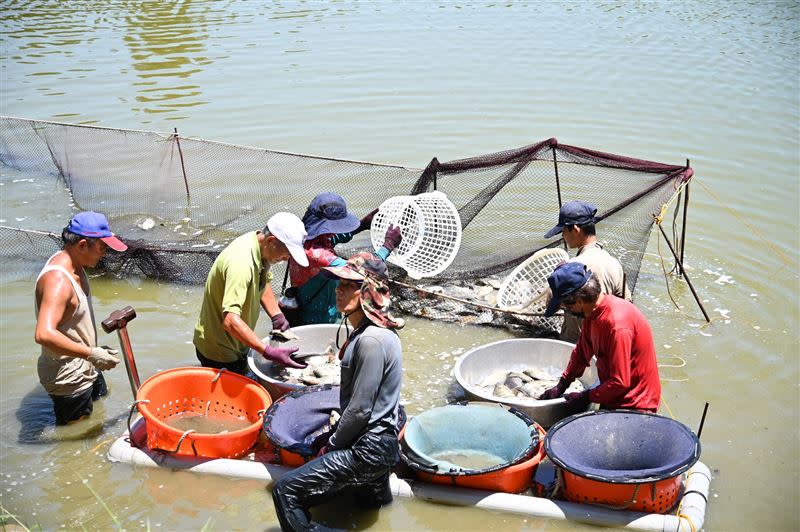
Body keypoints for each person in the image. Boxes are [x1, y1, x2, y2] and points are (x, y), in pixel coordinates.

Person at [272, 252, 404, 531]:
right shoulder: (377, 332)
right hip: (383, 448)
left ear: (367, 292)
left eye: (348, 285)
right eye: (339, 283)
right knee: (371, 509)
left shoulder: (370, 341)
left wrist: (330, 447)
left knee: (286, 492)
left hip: (368, 449)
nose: (338, 290)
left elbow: (360, 409)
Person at [34, 211, 127, 425]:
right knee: (77, 436)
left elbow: (71, 320)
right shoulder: (58, 281)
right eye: (102, 247)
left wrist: (94, 350)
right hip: (69, 377)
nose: (104, 254)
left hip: (86, 364)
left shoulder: (76, 264)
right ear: (82, 245)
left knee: (100, 407)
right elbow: (43, 333)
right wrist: (91, 352)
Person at [193, 212, 310, 375]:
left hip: (237, 343)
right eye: (286, 254)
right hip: (219, 351)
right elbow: (230, 320)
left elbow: (263, 282)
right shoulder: (241, 263)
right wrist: (268, 351)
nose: (286, 259)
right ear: (271, 241)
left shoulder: (260, 247)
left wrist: (276, 315)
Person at [538, 262, 661, 412]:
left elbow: (620, 382)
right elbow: (581, 354)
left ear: (579, 302)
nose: (567, 311)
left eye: (567, 307)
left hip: (636, 406)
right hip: (613, 396)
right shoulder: (592, 313)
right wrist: (562, 385)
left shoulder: (617, 325)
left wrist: (585, 397)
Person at [285, 192, 402, 326]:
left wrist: (362, 224)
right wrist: (388, 245)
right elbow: (362, 270)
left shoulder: (306, 240)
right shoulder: (316, 255)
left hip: (311, 311)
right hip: (319, 323)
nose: (337, 231)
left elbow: (333, 239)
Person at [544, 200, 630, 343]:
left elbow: (550, 302)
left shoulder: (571, 268)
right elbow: (626, 303)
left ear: (576, 229)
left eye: (563, 231)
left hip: (575, 346)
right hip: (606, 343)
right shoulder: (614, 263)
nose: (562, 236)